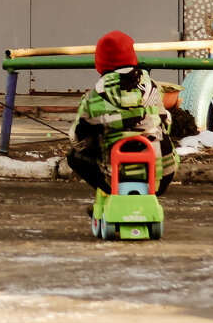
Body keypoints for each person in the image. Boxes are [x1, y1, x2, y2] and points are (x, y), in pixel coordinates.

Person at [66, 30, 178, 201]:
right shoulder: (154, 88)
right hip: (160, 177)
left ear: (100, 62)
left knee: (74, 156)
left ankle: (112, 196)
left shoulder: (93, 97)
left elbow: (78, 139)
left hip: (115, 180)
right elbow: (166, 123)